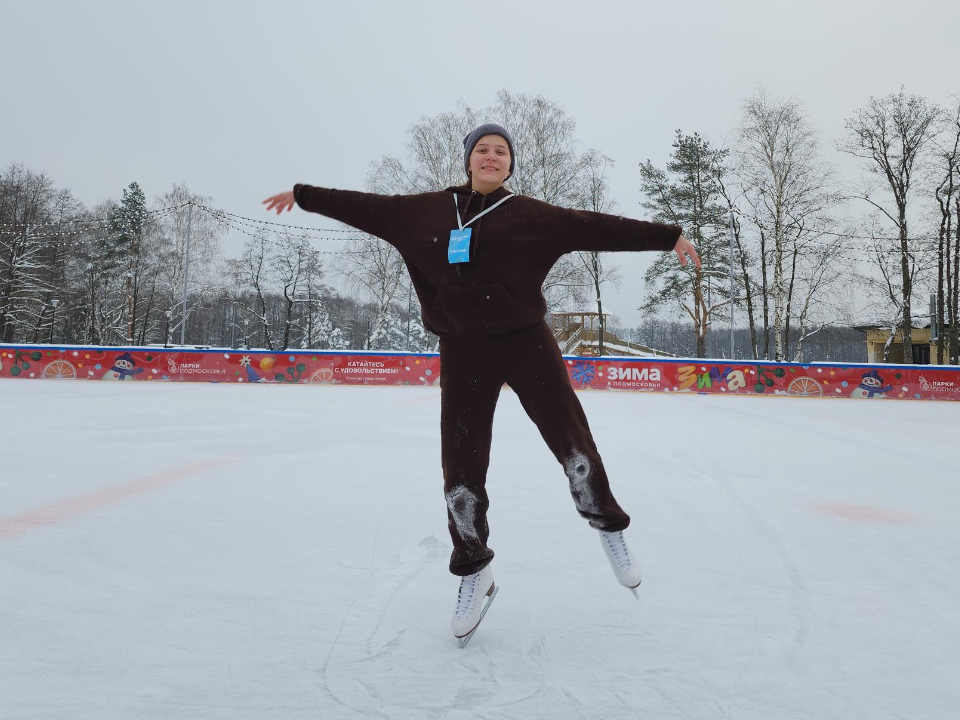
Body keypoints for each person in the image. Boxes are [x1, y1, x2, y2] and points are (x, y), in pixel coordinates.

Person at [264, 123, 700, 646]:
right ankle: (474, 569)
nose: (491, 157)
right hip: (463, 348)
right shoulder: (421, 212)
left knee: (572, 442)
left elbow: (598, 227)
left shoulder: (535, 217)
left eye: (501, 152)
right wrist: (304, 195)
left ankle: (610, 528)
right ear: (468, 160)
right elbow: (364, 206)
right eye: (482, 150)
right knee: (461, 464)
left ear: (511, 164)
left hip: (526, 341)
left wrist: (667, 234)